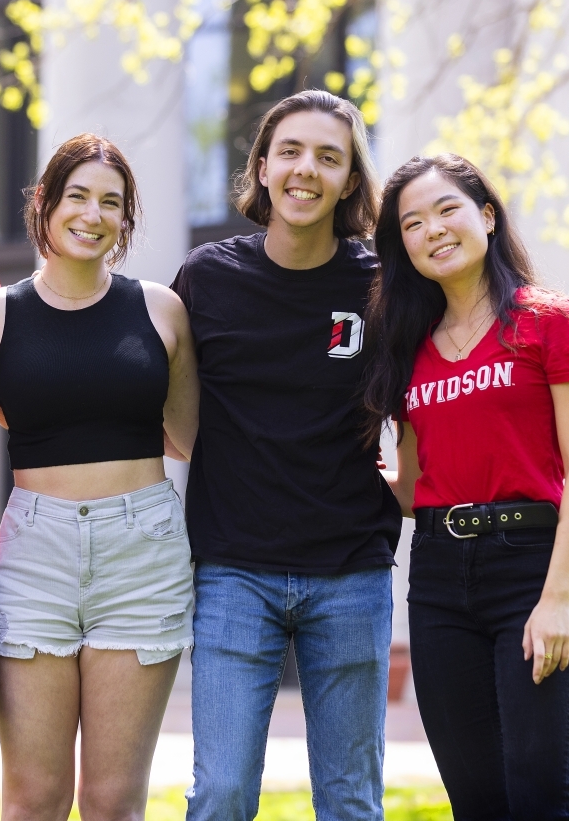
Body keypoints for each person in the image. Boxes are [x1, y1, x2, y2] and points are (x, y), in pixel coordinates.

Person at [170, 90, 402, 821]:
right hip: (236, 571)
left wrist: (416, 483)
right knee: (224, 792)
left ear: (350, 182)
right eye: (292, 152)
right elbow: (170, 415)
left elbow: (425, 397)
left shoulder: (381, 286)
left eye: (329, 157)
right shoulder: (206, 278)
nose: (307, 170)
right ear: (263, 167)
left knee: (351, 800)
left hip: (353, 573)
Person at [0, 132, 199, 821]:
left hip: (143, 551)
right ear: (44, 202)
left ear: (126, 219)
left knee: (112, 801)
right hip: (35, 553)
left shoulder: (160, 310)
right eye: (77, 196)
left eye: (112, 203)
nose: (93, 214)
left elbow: (190, 437)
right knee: (33, 798)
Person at [363, 153, 569, 819]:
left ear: (485, 215)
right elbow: (416, 482)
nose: (433, 229)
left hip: (533, 568)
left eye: (446, 208)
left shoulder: (546, 321)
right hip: (440, 577)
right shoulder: (408, 345)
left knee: (539, 787)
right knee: (475, 795)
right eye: (413, 223)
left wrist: (559, 600)